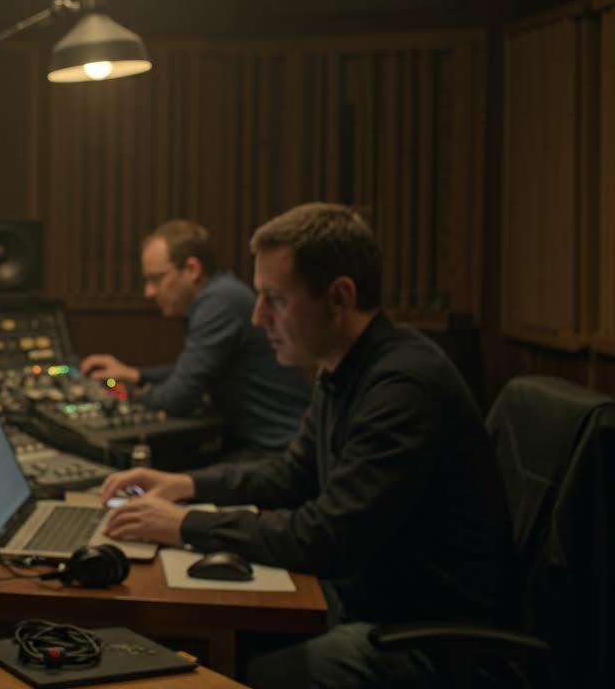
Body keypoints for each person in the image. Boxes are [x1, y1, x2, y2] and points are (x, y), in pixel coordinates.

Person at [97, 204, 515, 688]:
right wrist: (183, 485)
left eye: (274, 298)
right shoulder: (343, 366)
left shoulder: (402, 386)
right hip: (376, 599)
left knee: (250, 668)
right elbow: (291, 475)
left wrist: (186, 525)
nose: (257, 317)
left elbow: (328, 539)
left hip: (428, 639)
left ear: (339, 297)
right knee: (215, 639)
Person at [79, 220, 310, 458]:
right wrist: (134, 374)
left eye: (156, 279)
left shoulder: (218, 304)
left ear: (192, 269)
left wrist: (126, 393)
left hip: (277, 452)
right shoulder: (220, 295)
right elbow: (189, 371)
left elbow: (175, 399)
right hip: (261, 444)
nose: (148, 292)